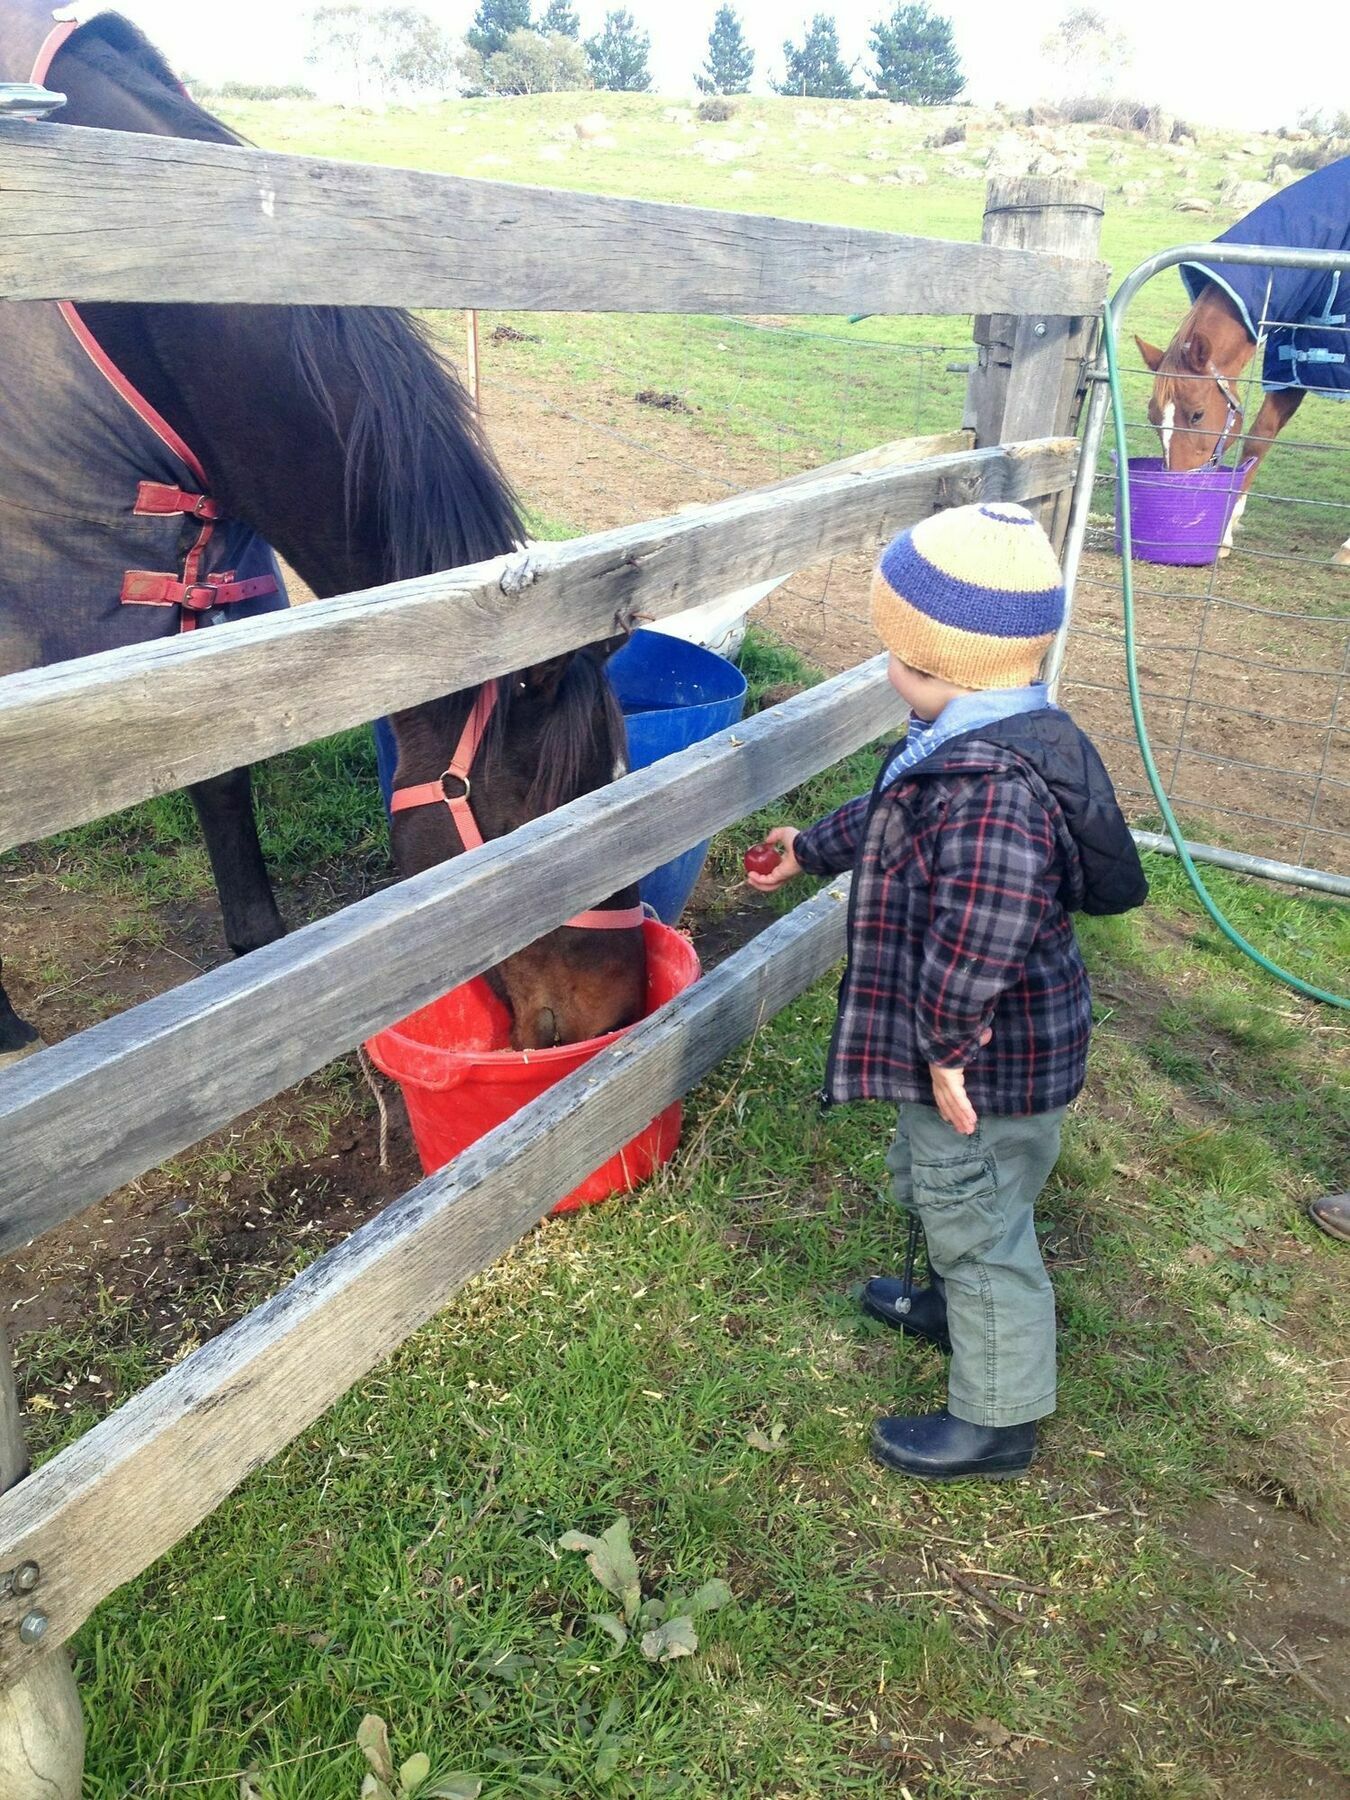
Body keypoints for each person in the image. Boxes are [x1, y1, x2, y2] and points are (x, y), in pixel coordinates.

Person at [748, 501, 1148, 1481]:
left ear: (933, 662)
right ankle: (948, 1312)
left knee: (980, 1222)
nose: (888, 670)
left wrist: (946, 1045)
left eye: (894, 653)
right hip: (983, 1054)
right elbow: (894, 814)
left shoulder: (991, 790)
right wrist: (811, 849)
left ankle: (998, 1421)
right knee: (945, 1186)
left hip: (987, 1062)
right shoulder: (979, 735)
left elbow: (982, 934)